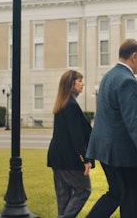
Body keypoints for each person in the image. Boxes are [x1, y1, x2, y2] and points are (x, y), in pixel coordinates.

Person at [86, 39, 137, 218]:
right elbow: (134, 121)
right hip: (125, 155)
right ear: (134, 57)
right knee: (131, 200)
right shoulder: (127, 81)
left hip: (106, 152)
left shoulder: (108, 77)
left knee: (116, 193)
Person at [47, 70, 94, 218]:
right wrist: (85, 160)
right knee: (84, 190)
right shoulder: (71, 105)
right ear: (71, 84)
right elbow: (76, 137)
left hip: (57, 158)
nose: (83, 84)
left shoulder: (62, 104)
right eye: (80, 81)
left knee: (64, 198)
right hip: (70, 160)